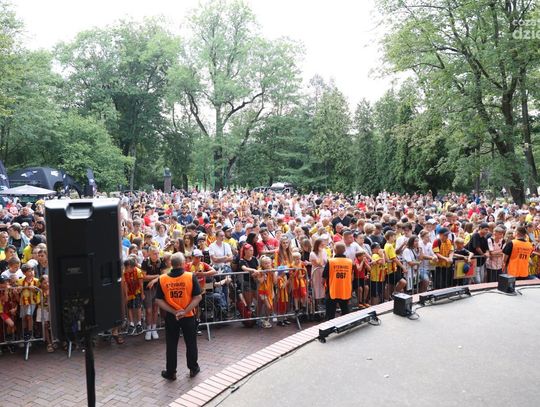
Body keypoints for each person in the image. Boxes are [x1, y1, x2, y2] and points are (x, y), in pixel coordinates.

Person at [155, 252, 202, 381]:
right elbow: (198, 297)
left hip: (172, 316)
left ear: (171, 264)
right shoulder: (190, 276)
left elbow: (158, 300)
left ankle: (171, 372)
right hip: (188, 315)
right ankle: (193, 368)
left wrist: (174, 311)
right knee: (191, 342)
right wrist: (185, 311)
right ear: (182, 263)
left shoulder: (162, 279)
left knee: (171, 344)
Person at [323, 242, 353, 320]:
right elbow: (351, 276)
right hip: (345, 289)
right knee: (345, 311)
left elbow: (324, 276)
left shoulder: (331, 261)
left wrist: (324, 286)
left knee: (330, 313)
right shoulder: (350, 262)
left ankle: (330, 326)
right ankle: (346, 325)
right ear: (344, 250)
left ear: (335, 250)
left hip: (333, 290)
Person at [122, 257, 144, 336]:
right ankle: (131, 323)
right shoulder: (124, 272)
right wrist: (126, 295)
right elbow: (125, 284)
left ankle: (139, 323)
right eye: (125, 267)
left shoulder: (138, 271)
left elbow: (141, 284)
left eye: (127, 267)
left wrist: (142, 294)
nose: (125, 268)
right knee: (129, 307)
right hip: (129, 292)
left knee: (138, 307)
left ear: (131, 267)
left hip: (137, 291)